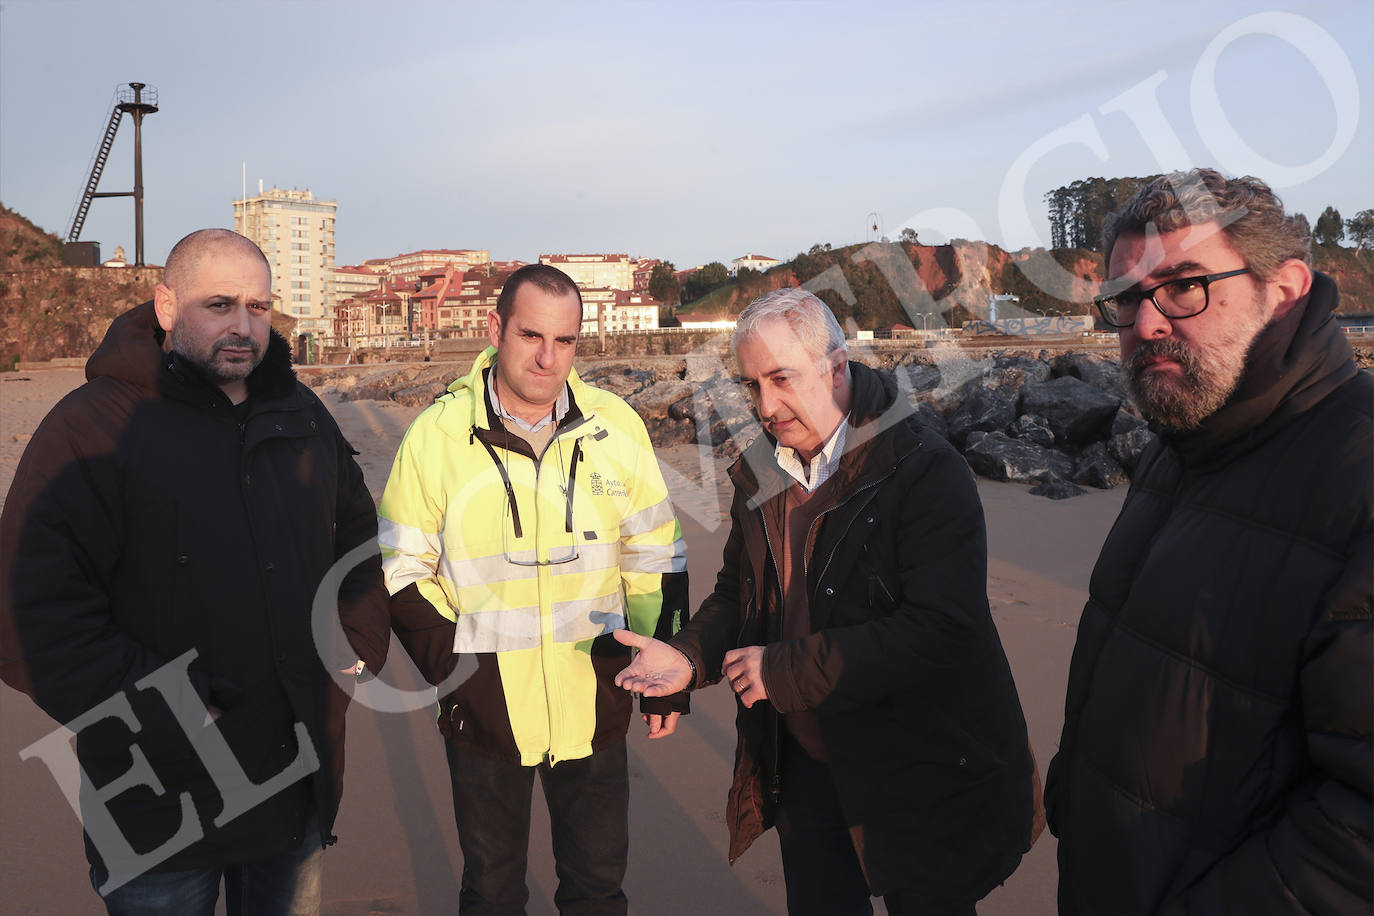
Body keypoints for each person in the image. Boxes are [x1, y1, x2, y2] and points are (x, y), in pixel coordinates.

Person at [0, 228, 390, 915]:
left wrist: (355, 642)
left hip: (294, 778)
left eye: (259, 307)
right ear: (166, 306)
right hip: (157, 804)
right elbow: (28, 611)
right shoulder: (94, 427)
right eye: (219, 305)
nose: (243, 326)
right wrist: (174, 708)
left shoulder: (300, 414)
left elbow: (355, 531)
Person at [614, 288, 1038, 916]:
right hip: (805, 766)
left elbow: (942, 630)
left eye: (781, 378)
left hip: (917, 765)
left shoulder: (924, 468)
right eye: (751, 384)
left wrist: (782, 670)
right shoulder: (762, 469)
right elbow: (738, 591)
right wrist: (688, 658)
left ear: (836, 368)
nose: (765, 406)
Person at [1045, 169, 1373, 913]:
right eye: (1126, 298)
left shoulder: (1358, 476)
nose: (1146, 323)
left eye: (1185, 285)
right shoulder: (1183, 439)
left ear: (1284, 290)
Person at [378, 263, 689, 915]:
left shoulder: (615, 426)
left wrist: (666, 674)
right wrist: (458, 673)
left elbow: (656, 553)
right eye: (531, 336)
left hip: (596, 692)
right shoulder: (437, 435)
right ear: (496, 330)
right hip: (483, 705)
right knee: (491, 893)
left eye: (565, 340)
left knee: (597, 890)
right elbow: (400, 567)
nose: (548, 358)